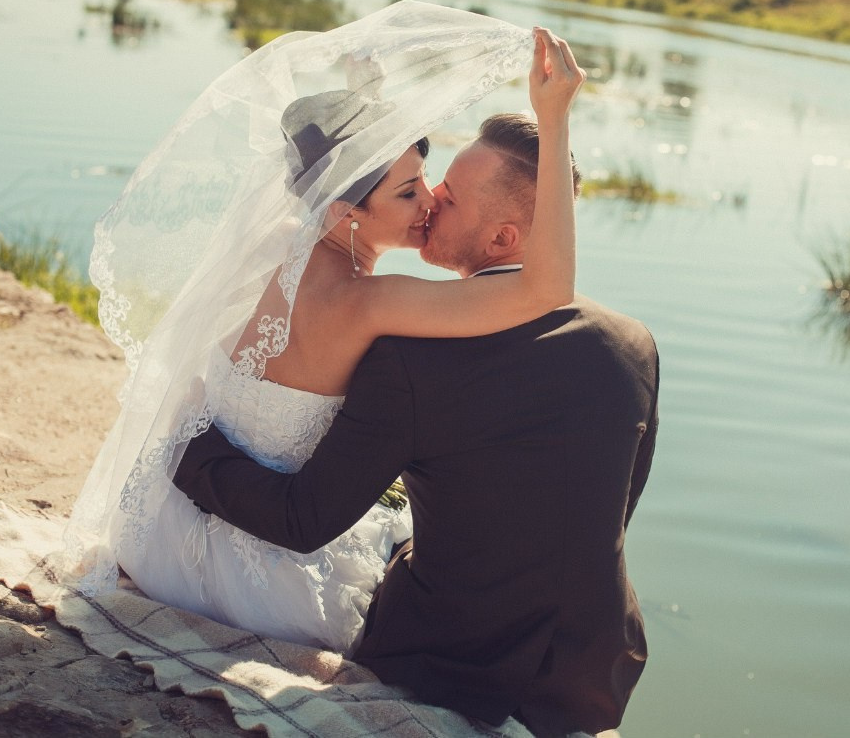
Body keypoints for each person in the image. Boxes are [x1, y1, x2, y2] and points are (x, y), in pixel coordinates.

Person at [60, 2, 588, 656]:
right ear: (345, 210)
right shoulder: (366, 303)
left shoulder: (278, 240)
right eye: (409, 192)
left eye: (423, 180)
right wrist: (556, 117)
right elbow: (547, 289)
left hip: (155, 518)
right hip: (235, 568)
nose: (428, 201)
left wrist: (369, 102)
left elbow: (348, 172)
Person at [172, 111, 660, 734]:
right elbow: (613, 509)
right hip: (593, 667)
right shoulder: (632, 341)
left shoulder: (410, 356)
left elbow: (304, 520)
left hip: (445, 656)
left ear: (504, 239)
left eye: (449, 197)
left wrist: (186, 449)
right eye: (426, 185)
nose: (430, 200)